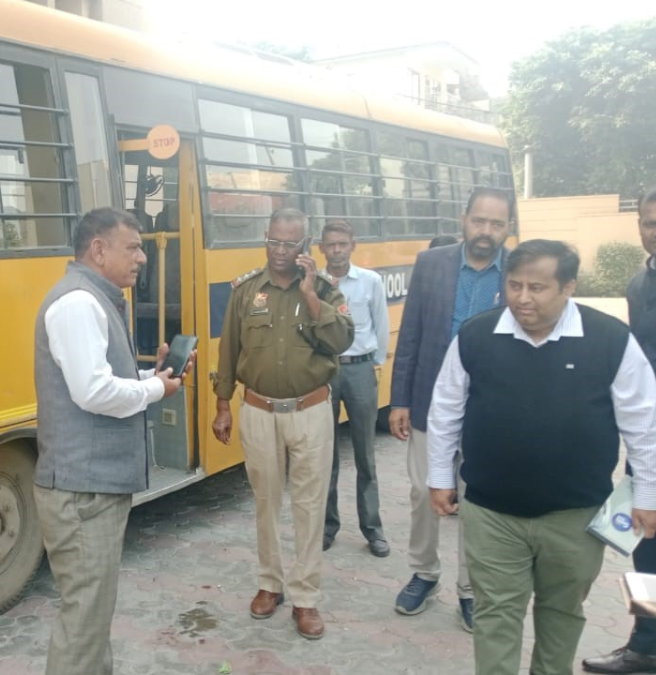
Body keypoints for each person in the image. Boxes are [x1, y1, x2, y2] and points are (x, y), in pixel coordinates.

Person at [429, 239, 656, 675]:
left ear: (568, 287)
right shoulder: (476, 336)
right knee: (496, 613)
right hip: (491, 513)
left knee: (561, 613)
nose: (523, 298)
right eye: (515, 285)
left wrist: (652, 495)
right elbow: (445, 409)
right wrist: (438, 476)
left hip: (574, 517)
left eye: (537, 287)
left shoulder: (610, 339)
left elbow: (646, 423)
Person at [33, 207, 187, 675]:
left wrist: (149, 375)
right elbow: (94, 392)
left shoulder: (95, 298)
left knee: (92, 619)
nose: (143, 257)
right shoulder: (79, 303)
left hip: (91, 491)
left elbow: (101, 377)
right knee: (84, 624)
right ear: (98, 250)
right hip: (84, 494)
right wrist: (157, 389)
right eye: (133, 247)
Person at [212, 208, 355, 640]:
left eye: (290, 244)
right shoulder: (246, 290)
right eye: (273, 241)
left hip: (311, 411)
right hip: (258, 411)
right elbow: (229, 350)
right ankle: (269, 584)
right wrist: (222, 405)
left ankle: (306, 597)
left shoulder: (325, 290)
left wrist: (311, 294)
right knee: (266, 502)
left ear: (305, 246)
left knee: (309, 505)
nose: (280, 251)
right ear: (265, 239)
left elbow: (342, 340)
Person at [389, 186, 514, 631]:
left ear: (508, 228)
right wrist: (399, 397)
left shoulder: (516, 272)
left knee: (477, 503)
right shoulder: (432, 264)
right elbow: (411, 334)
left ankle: (470, 588)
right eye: (479, 220)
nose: (486, 231)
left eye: (497, 224)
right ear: (464, 219)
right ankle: (424, 573)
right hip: (428, 401)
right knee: (424, 494)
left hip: (490, 410)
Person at [583, 183, 656, 675]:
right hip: (650, 447)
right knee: (651, 551)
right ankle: (647, 651)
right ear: (640, 225)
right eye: (652, 222)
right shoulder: (637, 283)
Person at [319, 219, 391, 557]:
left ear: (352, 246)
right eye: (330, 244)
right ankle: (327, 527)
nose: (336, 250)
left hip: (360, 370)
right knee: (325, 456)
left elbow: (381, 323)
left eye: (341, 244)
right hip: (325, 371)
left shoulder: (370, 282)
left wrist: (371, 364)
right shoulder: (314, 283)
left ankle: (373, 529)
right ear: (321, 248)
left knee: (365, 454)